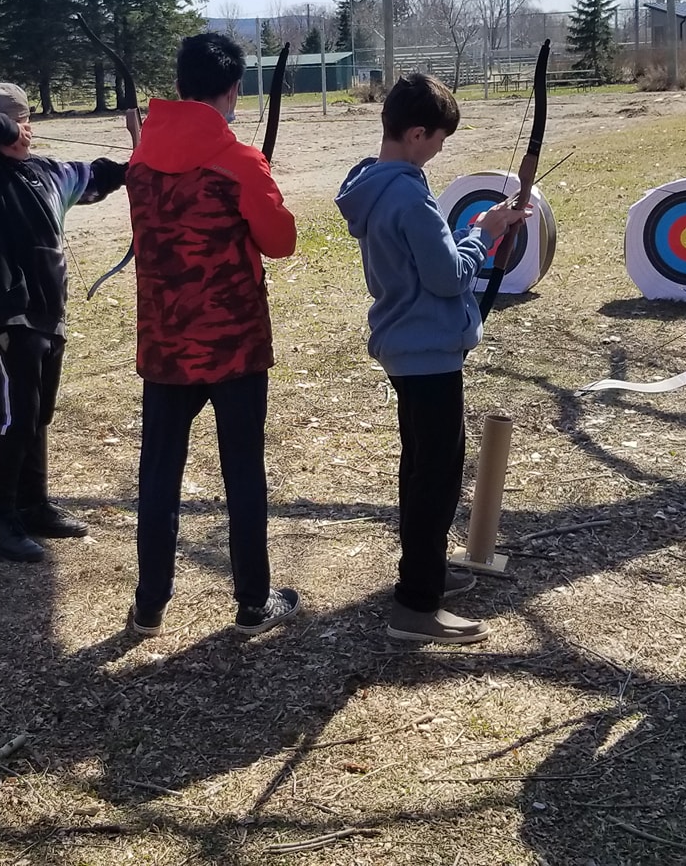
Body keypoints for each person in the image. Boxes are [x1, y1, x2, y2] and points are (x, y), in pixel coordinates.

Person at [335, 73, 529, 645]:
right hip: (427, 353)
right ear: (417, 133)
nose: (440, 150)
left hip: (408, 348)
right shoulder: (407, 193)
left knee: (421, 468)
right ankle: (415, 606)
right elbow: (447, 277)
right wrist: (485, 230)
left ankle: (425, 572)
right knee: (436, 479)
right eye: (439, 139)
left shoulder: (372, 184)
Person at [125, 33, 301, 637]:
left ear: (180, 87)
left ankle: (150, 602)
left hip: (166, 341)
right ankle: (252, 601)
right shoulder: (239, 161)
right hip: (233, 344)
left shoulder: (141, 159)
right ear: (231, 90)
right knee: (243, 472)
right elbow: (280, 242)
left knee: (159, 473)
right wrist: (262, 184)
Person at [0, 83, 127, 563]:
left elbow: (94, 174)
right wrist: (2, 126)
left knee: (38, 413)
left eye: (27, 120)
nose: (27, 130)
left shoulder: (43, 172)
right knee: (15, 415)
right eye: (18, 121)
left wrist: (140, 167)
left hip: (47, 310)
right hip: (4, 310)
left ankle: (31, 504)